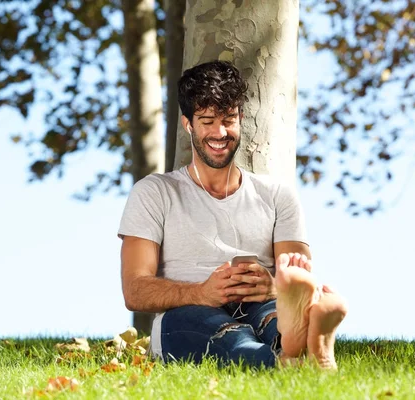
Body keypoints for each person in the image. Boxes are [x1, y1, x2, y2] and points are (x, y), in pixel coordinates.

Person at [118, 60, 347, 369]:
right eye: (208, 120)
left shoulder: (277, 194)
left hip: (261, 303)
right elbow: (135, 290)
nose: (220, 132)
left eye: (228, 119)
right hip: (188, 313)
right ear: (188, 124)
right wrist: (202, 292)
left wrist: (272, 285)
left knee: (272, 315)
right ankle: (304, 351)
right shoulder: (155, 192)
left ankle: (293, 346)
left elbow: (298, 272)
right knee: (233, 338)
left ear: (241, 118)